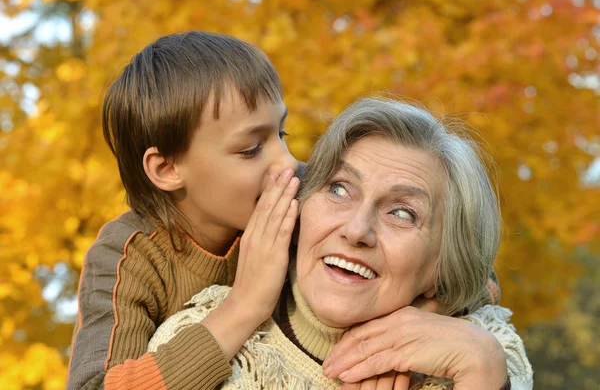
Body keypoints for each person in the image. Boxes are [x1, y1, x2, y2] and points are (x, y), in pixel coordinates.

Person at [148, 97, 534, 389]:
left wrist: (482, 370)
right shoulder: (197, 345)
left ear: (441, 268)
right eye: (339, 188)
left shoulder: (486, 354)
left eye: (402, 213)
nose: (356, 230)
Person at [67, 31, 300, 390]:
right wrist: (244, 305)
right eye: (251, 148)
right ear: (167, 169)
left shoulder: (309, 199)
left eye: (282, 134)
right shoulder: (127, 257)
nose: (287, 163)